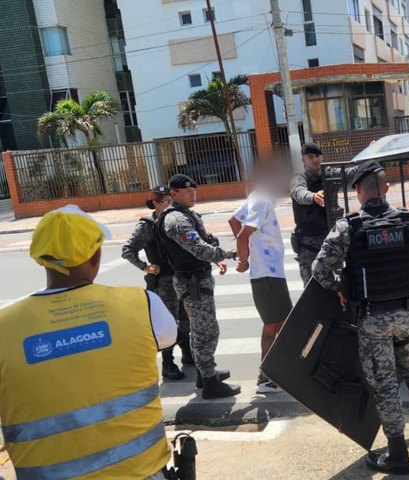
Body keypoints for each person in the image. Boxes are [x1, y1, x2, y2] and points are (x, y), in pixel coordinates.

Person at [0, 205, 175, 479]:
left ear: (40, 258)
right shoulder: (143, 303)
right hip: (142, 472)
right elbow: (167, 338)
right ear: (96, 256)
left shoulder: (4, 326)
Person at [312, 160, 409, 475]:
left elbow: (320, 269)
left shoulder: (348, 227)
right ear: (386, 188)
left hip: (372, 320)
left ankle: (398, 455)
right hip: (407, 316)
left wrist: (339, 290)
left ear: (357, 191)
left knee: (385, 385)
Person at [157, 174, 241, 399]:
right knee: (206, 331)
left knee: (200, 330)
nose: (192, 194)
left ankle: (206, 374)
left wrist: (216, 257)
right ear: (173, 193)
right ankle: (210, 383)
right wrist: (231, 253)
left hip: (196, 278)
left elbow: (204, 242)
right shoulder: (176, 219)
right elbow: (198, 248)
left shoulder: (187, 215)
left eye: (194, 190)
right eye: (187, 191)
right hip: (191, 282)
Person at [229, 166, 293, 393]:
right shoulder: (262, 199)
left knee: (277, 324)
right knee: (276, 325)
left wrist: (248, 257)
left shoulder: (256, 197)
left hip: (268, 272)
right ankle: (266, 377)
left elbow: (233, 220)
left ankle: (269, 374)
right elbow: (243, 232)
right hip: (267, 273)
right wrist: (245, 260)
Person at [122, 185, 193, 380]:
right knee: (169, 323)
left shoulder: (176, 219)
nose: (170, 205)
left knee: (185, 317)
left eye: (172, 201)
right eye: (165, 202)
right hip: (164, 282)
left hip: (182, 276)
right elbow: (127, 249)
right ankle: (168, 364)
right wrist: (145, 266)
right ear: (155, 203)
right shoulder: (148, 225)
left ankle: (187, 353)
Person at [290, 142, 329, 285]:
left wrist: (370, 155)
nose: (315, 159)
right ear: (303, 160)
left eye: (318, 156)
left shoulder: (329, 176)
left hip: (331, 243)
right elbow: (299, 192)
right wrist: (313, 197)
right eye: (310, 156)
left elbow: (352, 172)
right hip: (309, 246)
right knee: (312, 292)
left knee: (335, 291)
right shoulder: (299, 179)